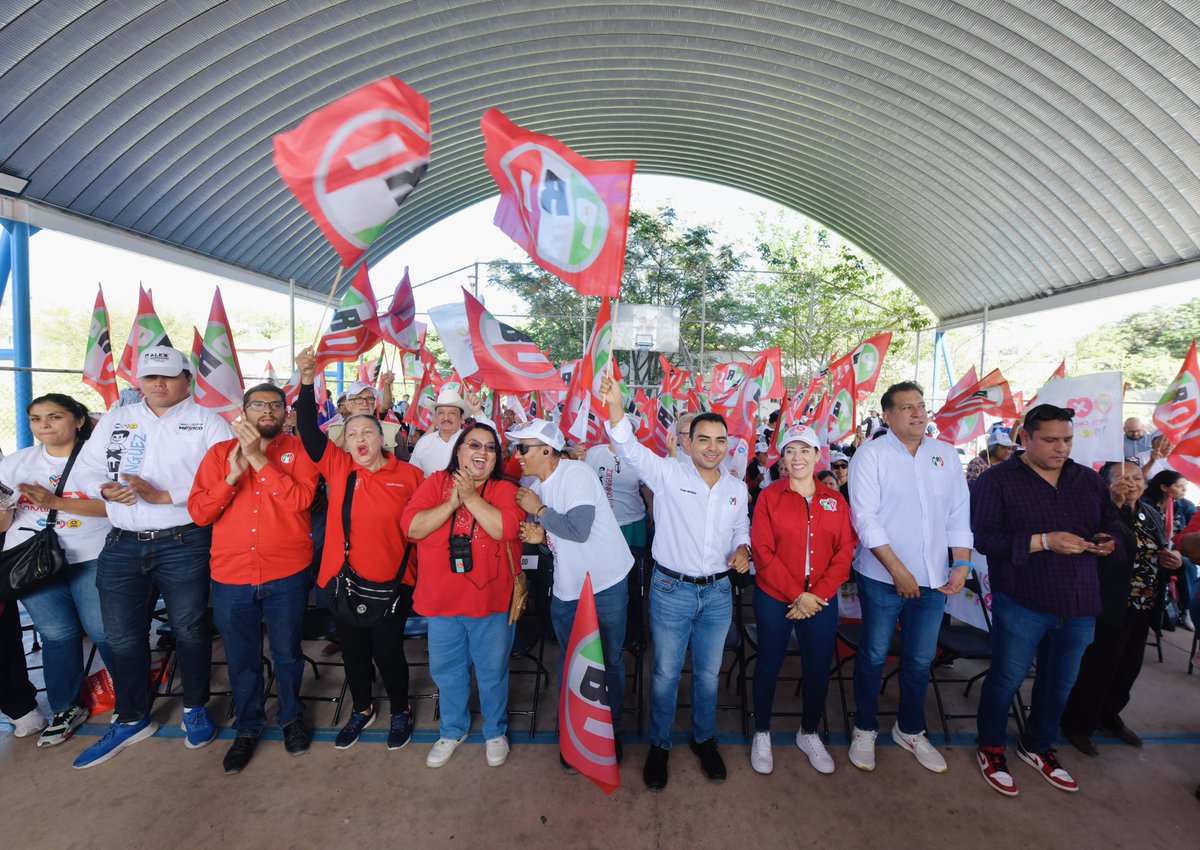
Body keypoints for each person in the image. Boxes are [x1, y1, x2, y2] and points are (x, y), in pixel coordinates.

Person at [71, 346, 232, 769]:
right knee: (121, 635)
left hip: (184, 540)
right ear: (139, 382)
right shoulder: (117, 420)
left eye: (167, 376)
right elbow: (86, 469)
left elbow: (227, 480)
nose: (157, 384)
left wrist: (167, 495)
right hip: (122, 540)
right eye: (149, 378)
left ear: (186, 379)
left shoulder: (209, 424)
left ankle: (195, 707)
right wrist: (104, 489)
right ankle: (132, 717)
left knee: (191, 629)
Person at [600, 371, 751, 791]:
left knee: (707, 673)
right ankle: (660, 744)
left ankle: (704, 739)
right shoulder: (667, 474)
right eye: (703, 439)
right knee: (665, 672)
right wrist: (616, 405)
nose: (712, 447)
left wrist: (743, 550)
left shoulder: (737, 489)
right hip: (671, 591)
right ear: (688, 442)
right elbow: (627, 447)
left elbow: (741, 529)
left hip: (719, 593)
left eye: (721, 440)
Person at [971, 404, 1123, 797]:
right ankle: (990, 745)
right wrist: (1043, 541)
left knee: (1060, 683)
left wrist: (1109, 543)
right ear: (1026, 438)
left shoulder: (1088, 481)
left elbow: (1111, 525)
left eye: (1067, 440)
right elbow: (985, 539)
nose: (1061, 448)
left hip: (1080, 601)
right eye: (1051, 440)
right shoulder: (998, 481)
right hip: (1023, 600)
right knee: (1007, 677)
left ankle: (1037, 745)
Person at [292, 348, 424, 751]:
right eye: (352, 434)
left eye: (367, 432)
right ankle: (362, 709)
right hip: (342, 580)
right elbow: (308, 429)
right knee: (353, 653)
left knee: (388, 651)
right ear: (344, 442)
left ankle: (400, 710)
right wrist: (307, 379)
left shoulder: (410, 474)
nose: (360, 439)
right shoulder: (338, 466)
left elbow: (425, 527)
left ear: (382, 437)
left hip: (395, 582)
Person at [188, 383, 320, 773]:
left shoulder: (300, 452)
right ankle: (247, 726)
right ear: (243, 412)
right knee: (241, 659)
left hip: (286, 573)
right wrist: (232, 474)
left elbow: (300, 501)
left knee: (288, 652)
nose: (267, 410)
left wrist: (259, 460)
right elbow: (199, 513)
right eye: (258, 405)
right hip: (231, 575)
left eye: (275, 405)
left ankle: (291, 716)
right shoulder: (216, 454)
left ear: (286, 413)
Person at [846, 380, 973, 775]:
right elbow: (864, 519)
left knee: (920, 660)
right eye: (907, 407)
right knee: (872, 654)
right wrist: (898, 570)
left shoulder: (945, 455)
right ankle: (864, 727)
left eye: (921, 405)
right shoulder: (870, 456)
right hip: (882, 578)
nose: (918, 413)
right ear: (887, 415)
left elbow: (957, 513)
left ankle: (911, 728)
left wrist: (963, 563)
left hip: (935, 579)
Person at [511, 419, 634, 770]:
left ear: (547, 450)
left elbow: (578, 530)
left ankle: (610, 732)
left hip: (604, 583)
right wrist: (541, 542)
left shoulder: (575, 474)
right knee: (574, 663)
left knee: (608, 661)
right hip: (567, 586)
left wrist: (539, 510)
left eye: (523, 448)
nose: (517, 455)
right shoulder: (539, 485)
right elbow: (559, 544)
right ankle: (579, 731)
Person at [402, 422, 524, 770]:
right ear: (458, 450)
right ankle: (452, 730)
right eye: (473, 445)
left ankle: (494, 732)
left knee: (492, 671)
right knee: (447, 671)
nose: (481, 452)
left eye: (489, 447)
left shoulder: (503, 488)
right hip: (441, 602)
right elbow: (412, 528)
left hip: (491, 603)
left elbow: (505, 528)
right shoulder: (436, 483)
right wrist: (453, 501)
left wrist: (470, 497)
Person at [0, 394, 113, 746]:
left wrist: (55, 502)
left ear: (79, 420)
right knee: (56, 633)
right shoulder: (17, 463)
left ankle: (132, 694)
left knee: (102, 629)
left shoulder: (99, 459)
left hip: (90, 554)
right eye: (36, 419)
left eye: (54, 416)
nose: (44, 425)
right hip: (31, 561)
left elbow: (116, 509)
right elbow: (4, 523)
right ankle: (66, 706)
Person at [748, 425, 855, 775]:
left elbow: (844, 552)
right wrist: (797, 595)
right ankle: (761, 732)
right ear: (783, 456)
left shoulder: (834, 499)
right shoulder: (769, 497)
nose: (797, 457)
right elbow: (762, 551)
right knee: (769, 663)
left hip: (819, 599)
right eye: (790, 450)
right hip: (776, 595)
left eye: (804, 450)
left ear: (816, 454)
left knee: (818, 666)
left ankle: (808, 731)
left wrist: (816, 595)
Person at [1060, 463, 1181, 755]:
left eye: (1138, 478)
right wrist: (1114, 504)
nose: (1132, 484)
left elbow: (1166, 546)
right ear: (1106, 483)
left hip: (1145, 603)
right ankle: (1079, 723)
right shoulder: (1099, 511)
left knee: (1128, 666)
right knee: (1098, 666)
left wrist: (1175, 558)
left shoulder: (1150, 512)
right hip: (1112, 603)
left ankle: (1110, 714)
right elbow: (1100, 544)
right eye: (1123, 479)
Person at [1143, 469, 1197, 630]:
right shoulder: (1146, 503)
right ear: (1164, 487)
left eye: (1185, 487)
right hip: (1151, 549)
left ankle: (1186, 610)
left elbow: (1191, 534)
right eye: (1180, 487)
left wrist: (1178, 552)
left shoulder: (1186, 506)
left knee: (1187, 564)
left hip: (1177, 551)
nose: (1184, 491)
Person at [408, 386, 493, 476]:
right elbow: (412, 475)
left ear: (462, 418)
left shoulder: (473, 443)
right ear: (435, 418)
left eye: (452, 413)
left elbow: (493, 441)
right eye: (441, 413)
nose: (446, 417)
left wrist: (478, 412)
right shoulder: (424, 443)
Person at [324, 382, 404, 453]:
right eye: (358, 399)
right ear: (348, 405)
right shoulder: (332, 432)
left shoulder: (393, 432)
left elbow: (403, 465)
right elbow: (327, 463)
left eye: (370, 398)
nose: (365, 403)